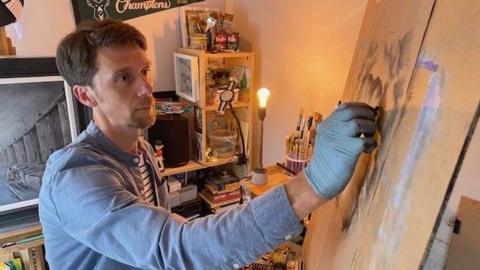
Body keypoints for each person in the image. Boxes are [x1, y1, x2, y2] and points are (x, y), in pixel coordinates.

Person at [39, 19, 378, 270]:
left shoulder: (140, 151)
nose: (146, 88)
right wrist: (310, 185)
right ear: (85, 94)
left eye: (144, 70)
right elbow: (178, 249)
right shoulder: (75, 178)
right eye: (123, 77)